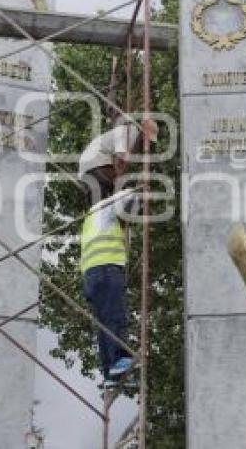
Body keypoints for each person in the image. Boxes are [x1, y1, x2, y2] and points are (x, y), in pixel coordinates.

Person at [78, 117, 157, 387]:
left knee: (103, 323)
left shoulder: (91, 218)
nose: (144, 143)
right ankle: (120, 359)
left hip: (91, 276)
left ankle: (111, 371)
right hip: (106, 270)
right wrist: (139, 188)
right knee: (114, 317)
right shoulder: (129, 131)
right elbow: (122, 170)